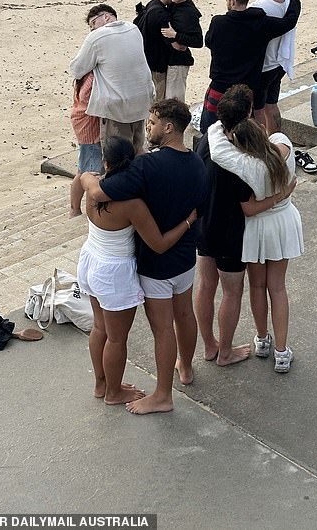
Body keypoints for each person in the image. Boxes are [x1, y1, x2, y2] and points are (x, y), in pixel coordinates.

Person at [86, 99, 209, 414]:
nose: (148, 129)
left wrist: (85, 182)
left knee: (162, 329)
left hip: (157, 265)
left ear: (168, 127)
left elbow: (101, 192)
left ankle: (162, 395)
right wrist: (188, 221)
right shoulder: (197, 163)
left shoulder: (147, 166)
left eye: (152, 123)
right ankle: (186, 368)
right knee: (184, 315)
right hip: (185, 259)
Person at [195, 84, 295, 366]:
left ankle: (209, 345)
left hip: (203, 224)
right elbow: (249, 206)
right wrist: (281, 194)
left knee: (204, 286)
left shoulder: (208, 139)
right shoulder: (241, 160)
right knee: (232, 292)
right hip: (229, 232)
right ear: (250, 114)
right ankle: (225, 352)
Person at [200, 0, 301, 134]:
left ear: (232, 1)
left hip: (220, 87)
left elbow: (209, 42)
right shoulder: (261, 23)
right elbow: (288, 22)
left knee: (209, 131)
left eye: (227, 0)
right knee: (245, 132)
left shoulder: (218, 22)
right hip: (246, 90)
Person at [69, 4, 154, 154]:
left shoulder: (97, 36)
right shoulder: (133, 28)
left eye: (93, 24)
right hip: (142, 98)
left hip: (117, 104)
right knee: (138, 146)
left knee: (118, 153)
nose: (92, 29)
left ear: (106, 17)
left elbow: (77, 69)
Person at [248, 0, 297, 134]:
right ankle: (277, 139)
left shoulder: (259, 8)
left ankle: (262, 146)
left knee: (258, 109)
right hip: (280, 61)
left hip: (265, 66)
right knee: (271, 105)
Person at [160, 0, 203, 102]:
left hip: (179, 62)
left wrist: (176, 36)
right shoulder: (172, 6)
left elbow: (198, 41)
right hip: (169, 60)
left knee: (174, 101)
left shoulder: (189, 12)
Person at [69, 70, 103, 217]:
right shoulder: (92, 77)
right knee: (89, 172)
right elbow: (88, 100)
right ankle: (77, 210)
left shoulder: (83, 73)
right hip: (89, 129)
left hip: (83, 123)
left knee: (82, 169)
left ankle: (75, 209)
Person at [133, 0, 172, 101]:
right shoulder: (161, 13)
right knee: (158, 98)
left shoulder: (152, 4)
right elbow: (167, 39)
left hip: (146, 59)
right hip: (157, 63)